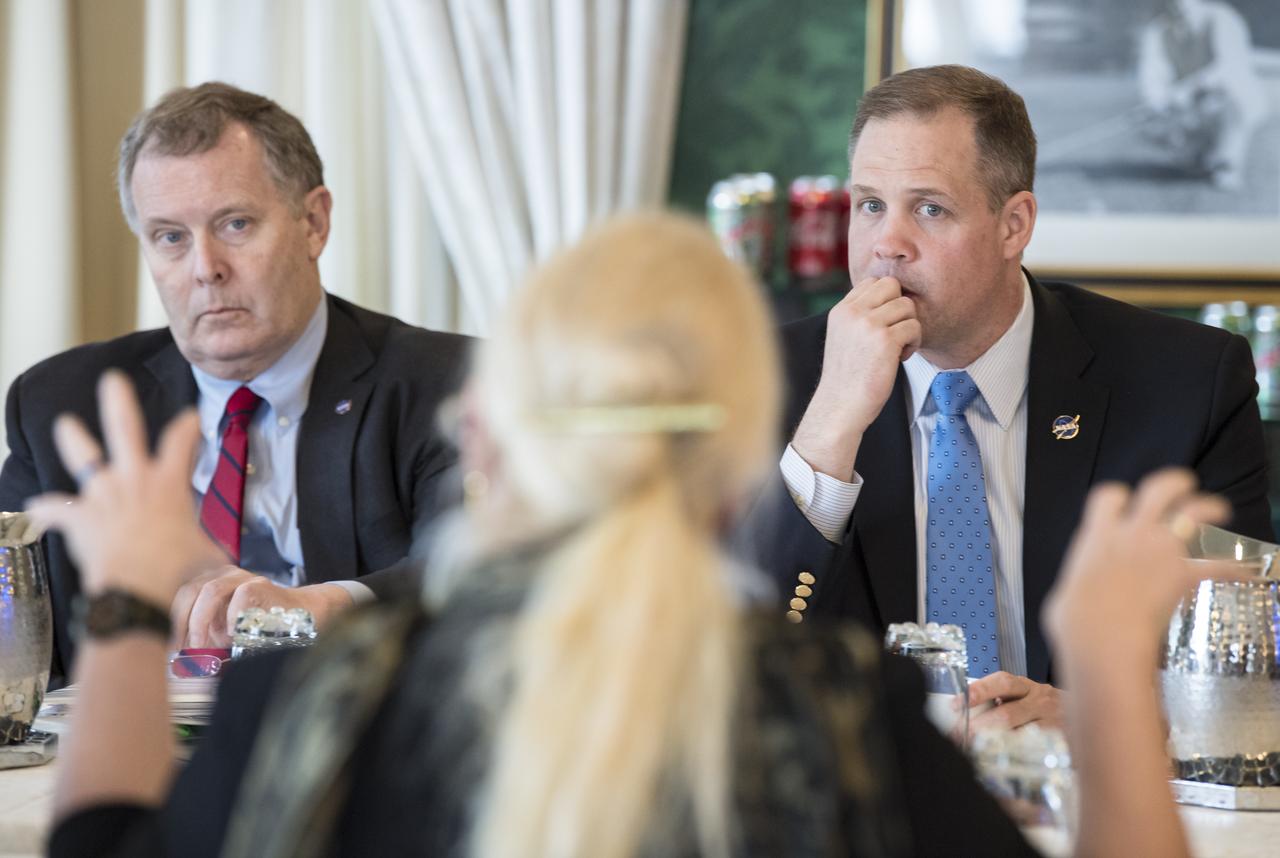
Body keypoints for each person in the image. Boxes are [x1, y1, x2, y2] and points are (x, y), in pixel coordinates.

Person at [32, 213, 1237, 857]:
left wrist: (130, 607)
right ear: (730, 479)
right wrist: (1107, 666)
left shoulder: (307, 701)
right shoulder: (840, 719)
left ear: (486, 440)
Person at [747, 64, 1271, 732]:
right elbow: (733, 651)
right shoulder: (770, 378)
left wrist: (1094, 721)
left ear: (1013, 224)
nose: (886, 245)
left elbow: (1247, 672)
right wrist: (829, 426)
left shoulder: (1187, 381)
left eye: (929, 209)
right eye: (871, 204)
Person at [0, 83, 469, 686]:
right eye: (171, 236)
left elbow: (478, 568)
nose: (206, 268)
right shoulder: (63, 406)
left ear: (314, 223)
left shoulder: (443, 386)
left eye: (236, 224)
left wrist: (328, 605)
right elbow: (15, 637)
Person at [1136, 0, 1270, 189]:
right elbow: (1150, 74)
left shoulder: (1222, 18)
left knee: (1236, 104)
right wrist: (1157, 101)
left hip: (1228, 98)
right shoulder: (1158, 29)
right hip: (1189, 106)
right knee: (1150, 126)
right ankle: (1198, 157)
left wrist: (1189, 88)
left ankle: (1227, 164)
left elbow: (1230, 66)